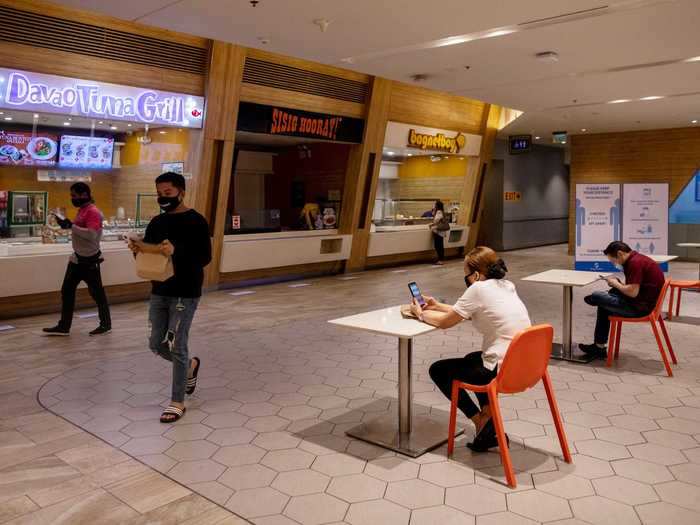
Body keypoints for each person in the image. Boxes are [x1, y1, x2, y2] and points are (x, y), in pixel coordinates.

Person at [411, 246, 531, 451]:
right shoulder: (506, 285)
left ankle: (480, 421)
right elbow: (468, 311)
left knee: (438, 370)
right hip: (524, 365)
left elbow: (445, 323)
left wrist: (419, 313)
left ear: (475, 274)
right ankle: (487, 414)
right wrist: (437, 305)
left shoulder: (477, 289)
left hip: (501, 368)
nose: (464, 277)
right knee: (473, 357)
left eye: (465, 273)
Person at [128, 172, 211, 423]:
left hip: (185, 292)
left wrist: (177, 251)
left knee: (177, 345)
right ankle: (189, 367)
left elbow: (205, 257)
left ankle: (177, 401)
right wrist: (138, 249)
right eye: (160, 194)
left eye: (168, 193)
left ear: (181, 192)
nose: (163, 198)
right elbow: (152, 257)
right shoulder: (157, 222)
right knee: (155, 343)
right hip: (160, 289)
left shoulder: (196, 221)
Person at [43, 183, 111, 336]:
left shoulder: (93, 212)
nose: (72, 198)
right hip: (77, 259)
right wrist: (67, 224)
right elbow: (78, 229)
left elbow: (92, 235)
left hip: (89, 261)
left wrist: (71, 226)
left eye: (74, 195)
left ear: (84, 194)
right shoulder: (82, 210)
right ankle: (64, 326)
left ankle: (105, 324)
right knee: (66, 291)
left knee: (97, 294)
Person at [579, 241, 664, 359]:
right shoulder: (638, 259)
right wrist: (618, 285)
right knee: (607, 299)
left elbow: (633, 292)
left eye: (613, 260)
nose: (614, 264)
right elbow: (635, 288)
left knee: (598, 295)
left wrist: (616, 284)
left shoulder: (635, 263)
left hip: (639, 308)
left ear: (620, 254)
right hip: (643, 302)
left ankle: (595, 299)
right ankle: (599, 347)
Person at [429, 200, 448, 265]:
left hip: (439, 231)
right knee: (440, 245)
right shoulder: (440, 211)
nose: (433, 205)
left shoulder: (439, 212)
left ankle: (440, 260)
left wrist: (432, 224)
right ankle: (440, 259)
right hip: (441, 231)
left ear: (437, 205)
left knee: (438, 246)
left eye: (434, 204)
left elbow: (436, 220)